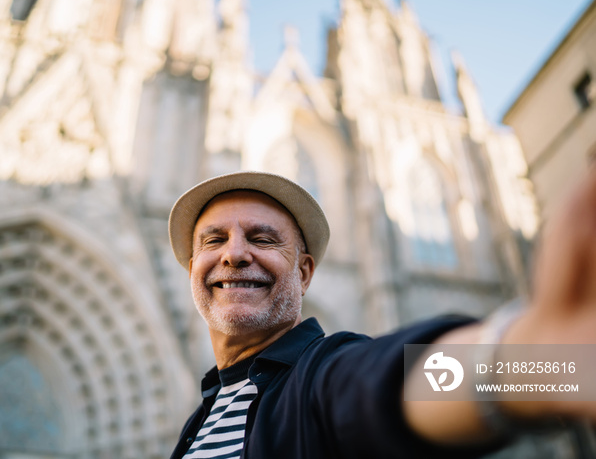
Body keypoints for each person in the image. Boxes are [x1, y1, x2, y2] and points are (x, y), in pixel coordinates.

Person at [167, 170, 596, 459]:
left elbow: (390, 382)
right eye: (213, 240)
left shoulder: (320, 378)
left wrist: (544, 364)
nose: (235, 253)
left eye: (262, 239)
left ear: (304, 271)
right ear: (191, 269)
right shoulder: (200, 418)